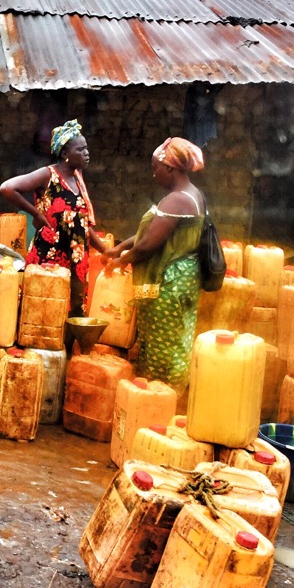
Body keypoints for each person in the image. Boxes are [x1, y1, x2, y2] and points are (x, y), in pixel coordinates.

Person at [105, 138, 206, 401]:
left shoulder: (178, 200)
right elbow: (152, 233)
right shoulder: (189, 195)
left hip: (170, 282)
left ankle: (160, 399)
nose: (153, 173)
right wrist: (121, 247)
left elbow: (149, 244)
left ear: (170, 167)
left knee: (164, 346)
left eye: (156, 167)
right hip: (180, 279)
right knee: (172, 340)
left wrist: (120, 261)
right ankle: (157, 398)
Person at [0, 119, 108, 313]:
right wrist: (36, 213)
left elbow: (81, 222)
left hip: (76, 260)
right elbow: (7, 188)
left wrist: (105, 251)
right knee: (44, 310)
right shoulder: (48, 175)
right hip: (49, 258)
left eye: (86, 148)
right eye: (80, 150)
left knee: (72, 313)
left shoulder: (78, 178)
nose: (86, 153)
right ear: (65, 154)